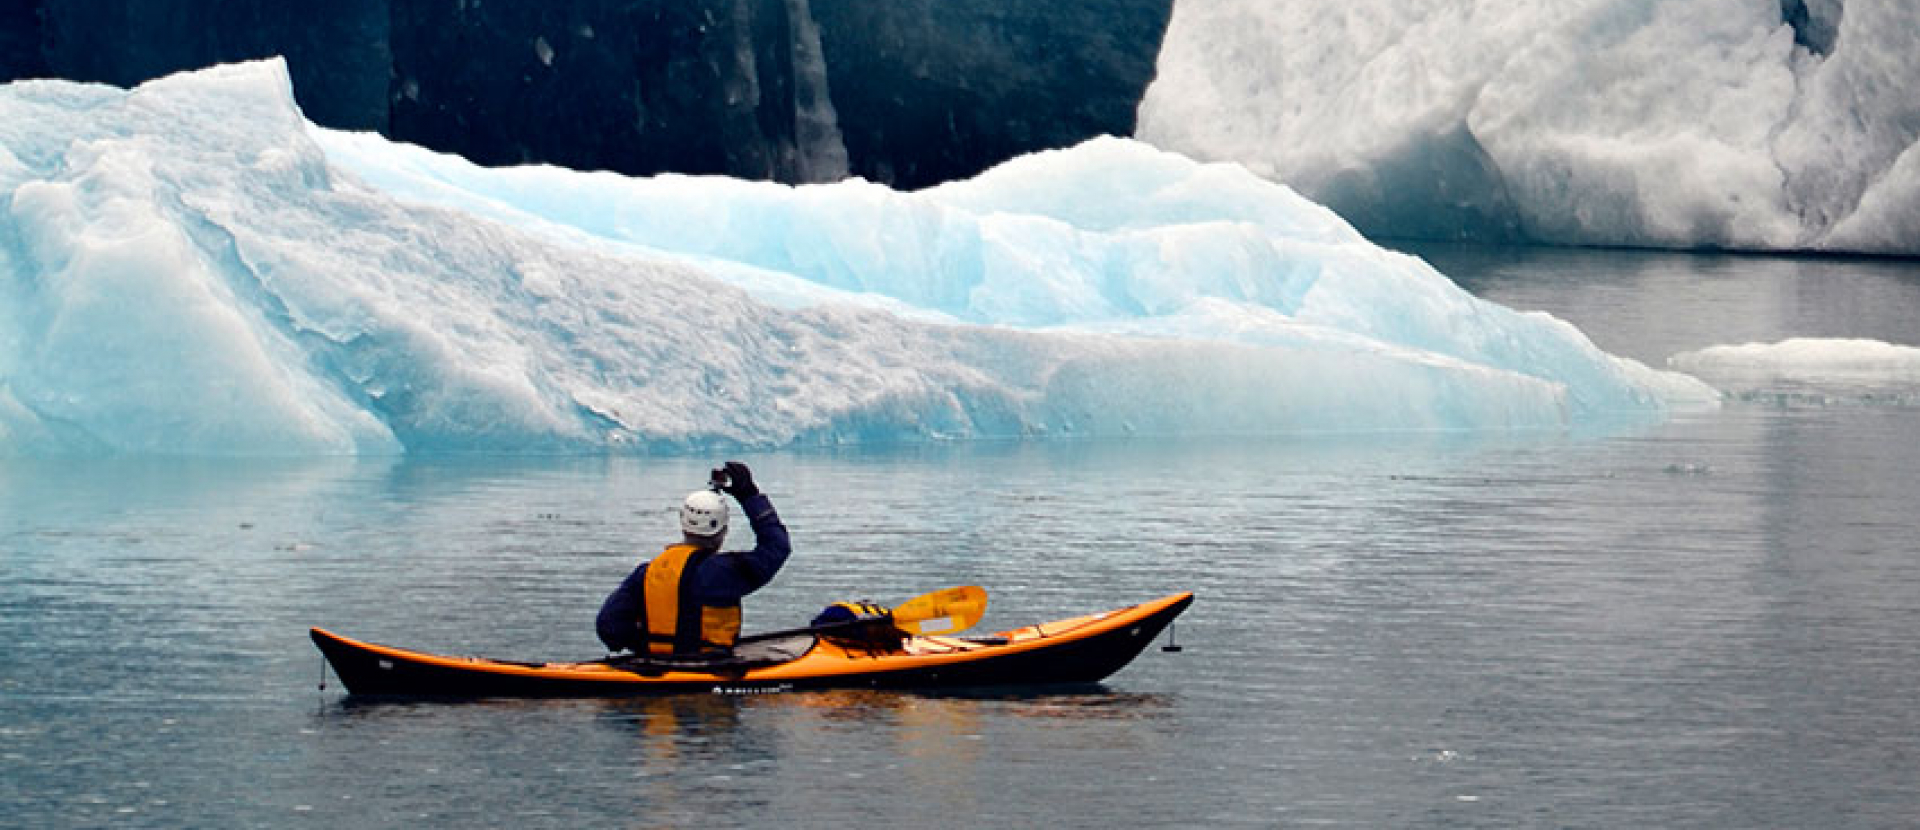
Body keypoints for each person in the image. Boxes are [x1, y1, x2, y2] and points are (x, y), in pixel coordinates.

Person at [595, 461, 791, 656]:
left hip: (655, 663)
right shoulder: (725, 572)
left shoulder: (647, 572)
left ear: (683, 524)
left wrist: (646, 646)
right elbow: (777, 547)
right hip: (710, 665)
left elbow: (608, 626)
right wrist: (750, 496)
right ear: (723, 530)